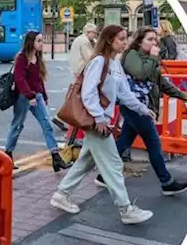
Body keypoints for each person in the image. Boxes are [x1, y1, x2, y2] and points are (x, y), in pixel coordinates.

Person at [50, 25, 154, 226]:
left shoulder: (115, 64)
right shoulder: (99, 62)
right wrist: (99, 117)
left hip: (101, 121)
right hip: (97, 123)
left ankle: (61, 195)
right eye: (121, 39)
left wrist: (142, 109)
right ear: (109, 41)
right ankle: (125, 209)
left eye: (126, 38)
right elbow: (88, 93)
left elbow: (124, 94)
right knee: (114, 164)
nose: (125, 42)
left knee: (86, 161)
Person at [115, 27, 187, 196]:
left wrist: (180, 95)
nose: (154, 43)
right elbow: (141, 74)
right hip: (134, 106)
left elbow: (160, 81)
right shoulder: (132, 55)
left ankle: (103, 175)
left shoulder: (150, 59)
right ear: (139, 40)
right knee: (154, 145)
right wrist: (154, 57)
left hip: (143, 106)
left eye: (155, 40)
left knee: (123, 143)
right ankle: (166, 182)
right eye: (150, 39)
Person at [4, 31, 68, 171]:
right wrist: (29, 96)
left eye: (41, 41)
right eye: (39, 41)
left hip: (36, 96)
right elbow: (19, 79)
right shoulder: (22, 58)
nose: (41, 44)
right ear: (31, 42)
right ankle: (8, 155)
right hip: (23, 97)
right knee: (17, 125)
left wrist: (43, 96)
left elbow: (38, 79)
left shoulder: (37, 58)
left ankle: (56, 157)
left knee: (47, 125)